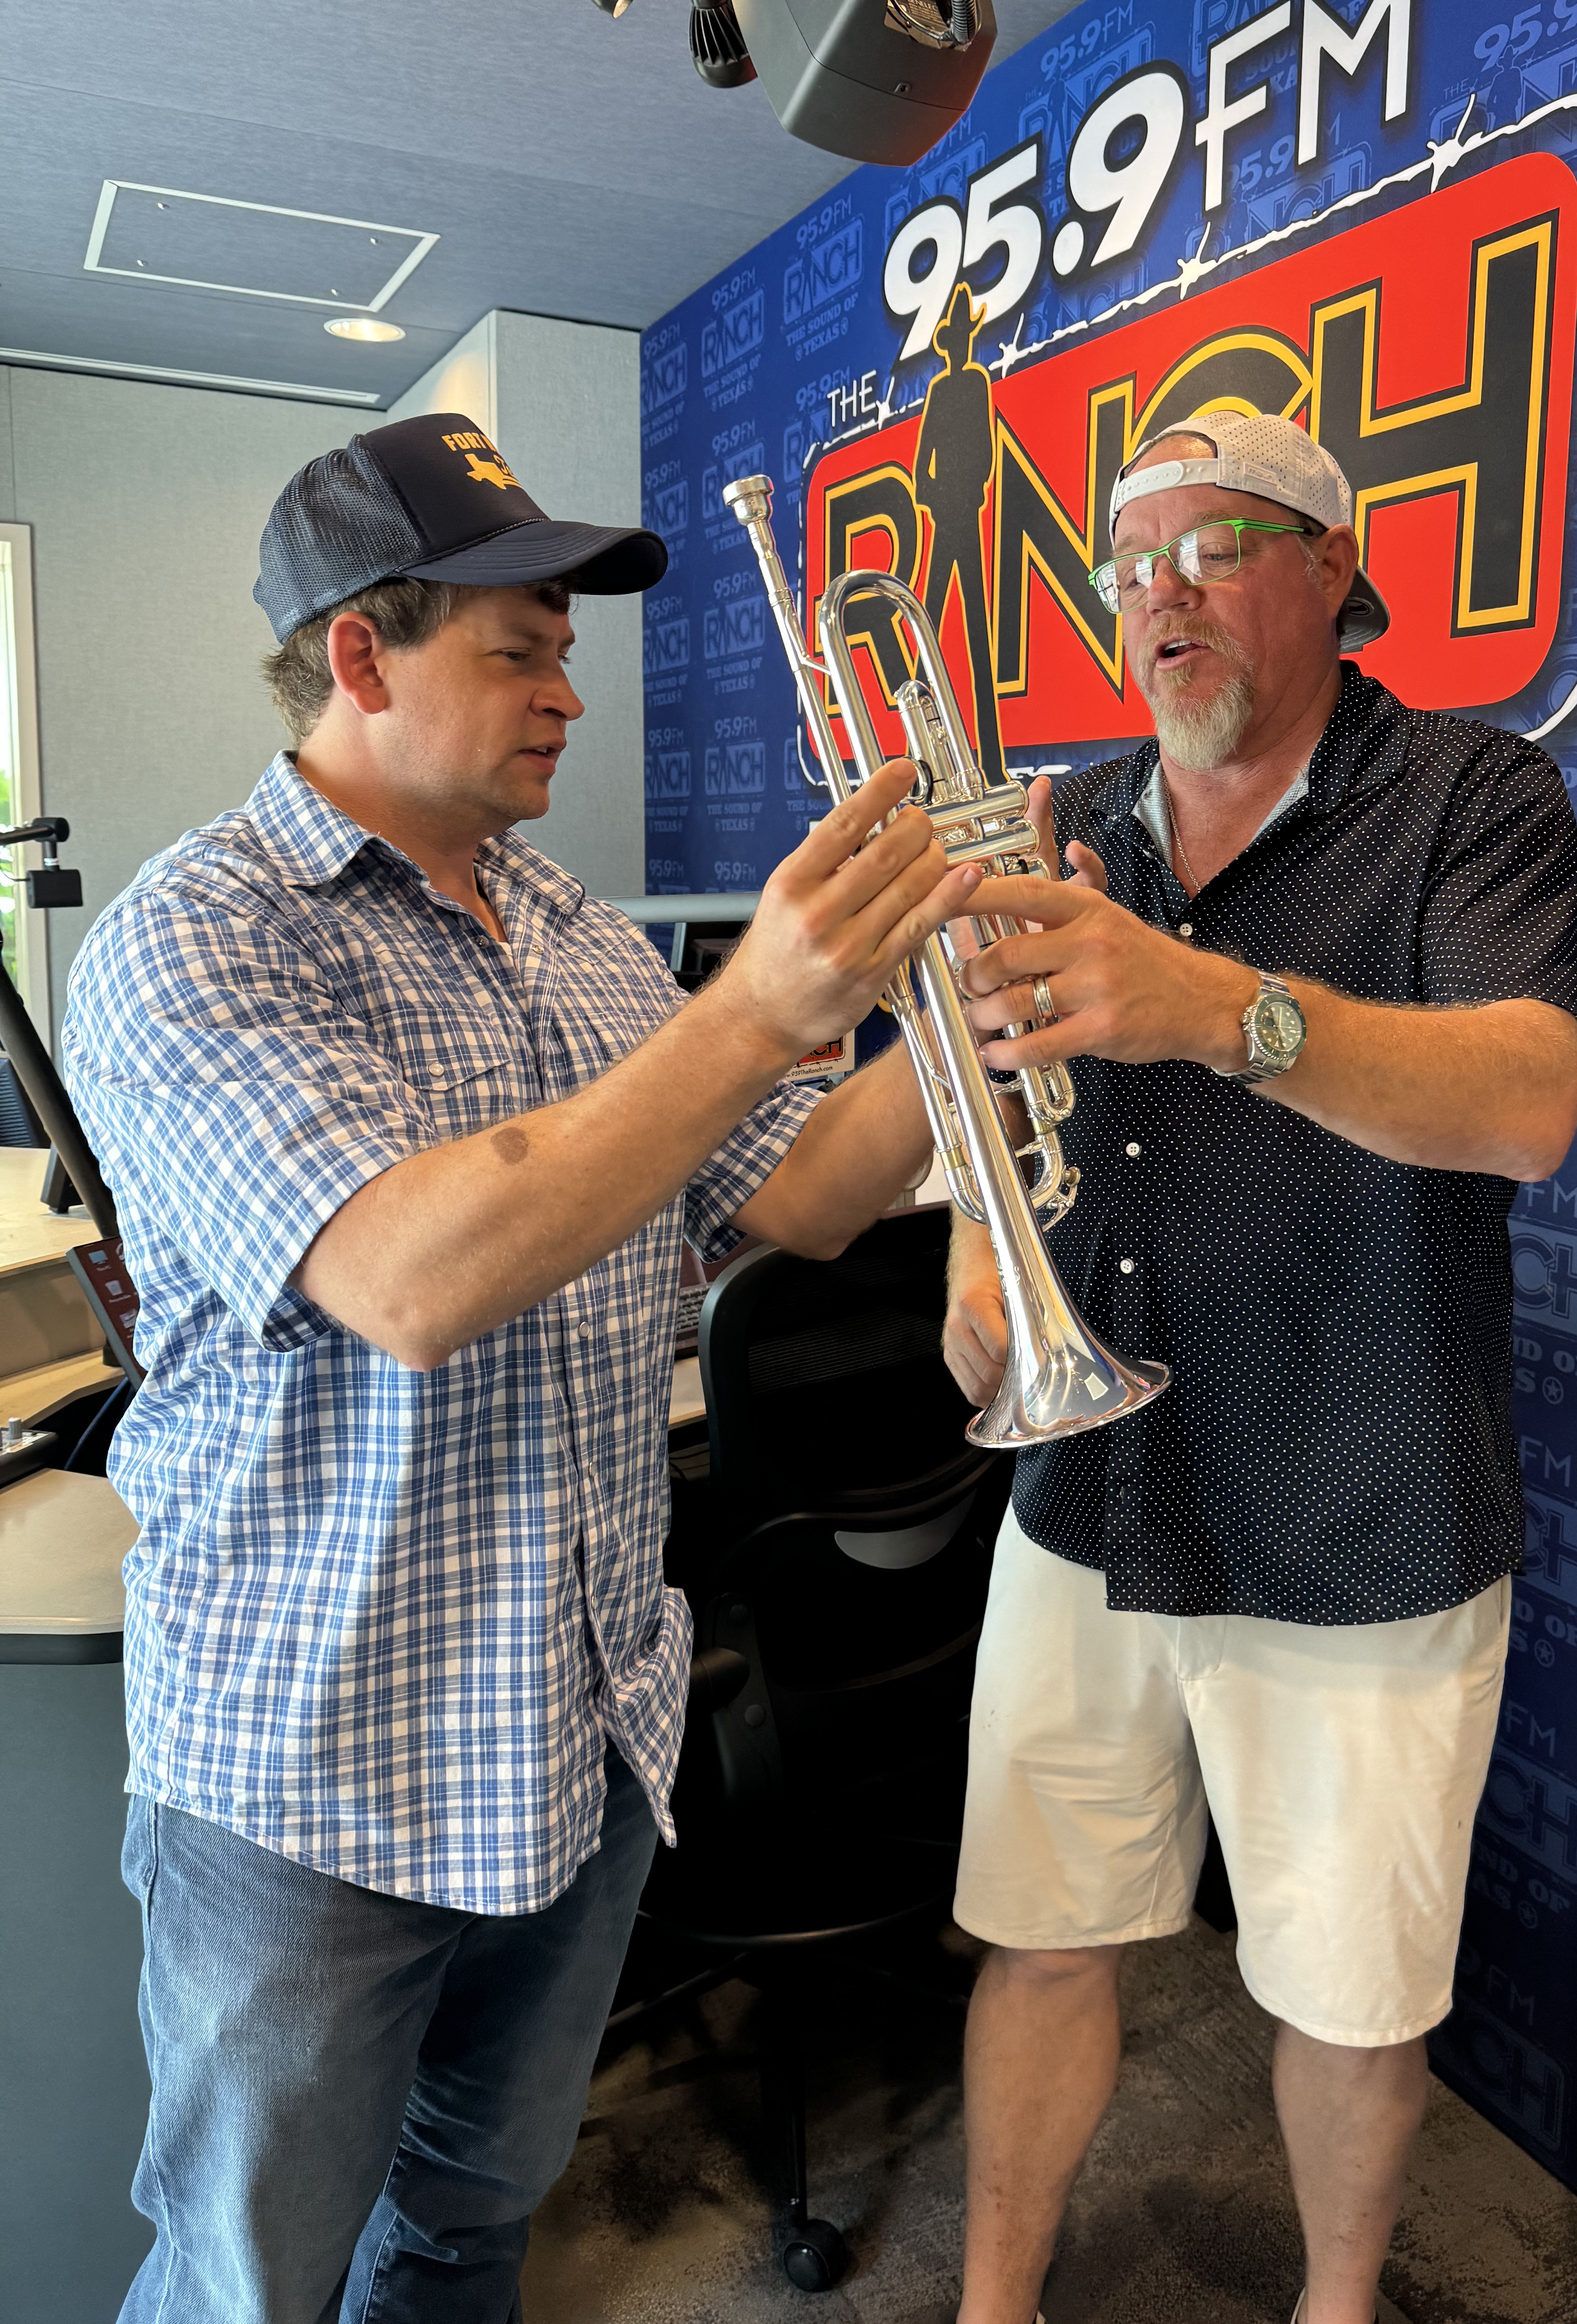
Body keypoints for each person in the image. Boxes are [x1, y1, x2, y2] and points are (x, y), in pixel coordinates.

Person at [63, 411, 978, 2324]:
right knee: (252, 2286)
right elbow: (409, 1272)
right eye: (520, 648)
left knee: (470, 2233)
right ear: (362, 657)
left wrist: (960, 1017)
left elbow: (799, 1192)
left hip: (574, 1738)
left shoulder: (572, 935)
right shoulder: (192, 939)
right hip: (309, 1780)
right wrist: (753, 1012)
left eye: (567, 649)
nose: (568, 690)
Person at [939, 411, 1577, 2324]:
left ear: (1334, 567)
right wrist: (982, 1245)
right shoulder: (1062, 821)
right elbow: (973, 1090)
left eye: (1215, 546)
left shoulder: (1472, 797)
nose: (1160, 594)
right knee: (1043, 1937)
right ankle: (991, 2304)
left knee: (1345, 1987)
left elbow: (1531, 1103)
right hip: (1089, 1493)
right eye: (1130, 563)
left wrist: (1225, 1013)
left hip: (1358, 1488)